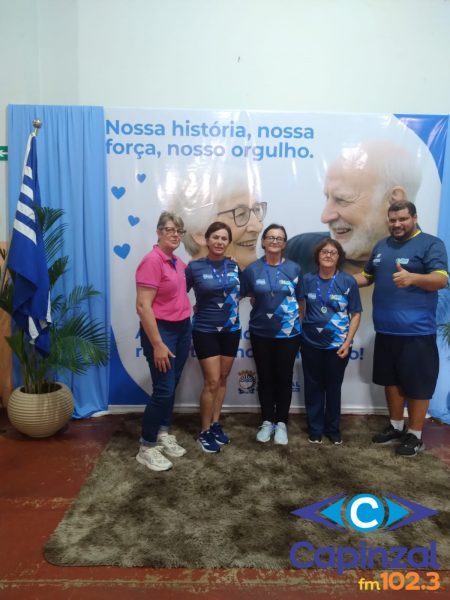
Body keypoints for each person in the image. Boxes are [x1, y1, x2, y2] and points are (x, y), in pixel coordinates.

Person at [355, 200, 448, 456]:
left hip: (417, 332)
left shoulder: (430, 244)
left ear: (414, 218)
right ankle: (396, 426)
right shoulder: (381, 246)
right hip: (385, 330)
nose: (397, 224)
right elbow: (367, 277)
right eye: (393, 220)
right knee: (391, 381)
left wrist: (413, 278)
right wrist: (337, 280)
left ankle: (415, 435)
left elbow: (441, 280)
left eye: (403, 219)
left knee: (417, 386)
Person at [285, 141, 422, 274]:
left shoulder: (426, 267)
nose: (325, 217)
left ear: (394, 201)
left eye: (342, 199)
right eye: (327, 197)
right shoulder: (300, 251)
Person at [135, 211, 192, 471]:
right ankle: (146, 446)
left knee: (173, 383)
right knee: (163, 390)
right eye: (169, 229)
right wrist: (158, 343)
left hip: (182, 329)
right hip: (162, 332)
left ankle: (163, 432)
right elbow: (143, 306)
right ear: (158, 232)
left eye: (179, 231)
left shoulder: (178, 262)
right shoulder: (152, 261)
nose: (175, 235)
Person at [241, 224, 303, 445]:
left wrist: (297, 323)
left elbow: (301, 300)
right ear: (263, 242)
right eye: (271, 237)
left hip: (289, 334)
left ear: (284, 244)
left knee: (284, 378)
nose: (275, 241)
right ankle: (267, 421)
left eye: (279, 238)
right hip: (261, 333)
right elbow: (244, 294)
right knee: (265, 378)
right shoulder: (252, 269)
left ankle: (282, 423)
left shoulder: (295, 269)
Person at [186, 221, 241, 453]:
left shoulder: (235, 266)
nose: (219, 242)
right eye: (215, 237)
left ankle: (216, 424)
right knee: (211, 382)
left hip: (232, 330)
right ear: (207, 240)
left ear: (228, 242)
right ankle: (204, 431)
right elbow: (178, 295)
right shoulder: (194, 267)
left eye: (224, 238)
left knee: (223, 379)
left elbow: (243, 293)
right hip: (205, 330)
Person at [300, 239, 362, 445]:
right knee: (313, 387)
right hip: (310, 343)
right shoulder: (307, 280)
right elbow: (301, 308)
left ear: (339, 257)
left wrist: (347, 342)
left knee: (333, 388)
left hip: (338, 346)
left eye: (333, 252)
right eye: (324, 252)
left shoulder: (348, 281)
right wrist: (301, 331)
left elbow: (356, 314)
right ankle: (315, 429)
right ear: (317, 256)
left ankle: (333, 429)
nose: (328, 255)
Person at [164, 159, 266, 269]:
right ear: (200, 232)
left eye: (256, 210)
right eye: (241, 214)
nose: (258, 227)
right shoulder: (187, 277)